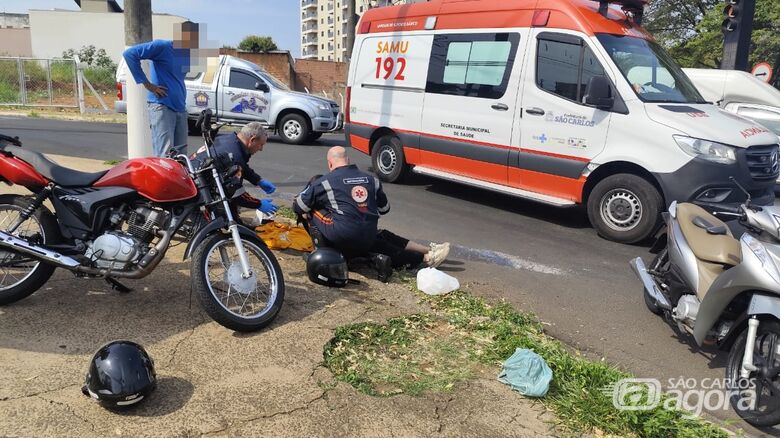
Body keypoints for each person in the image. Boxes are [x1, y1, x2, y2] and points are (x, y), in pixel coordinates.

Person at [294, 146, 449, 279]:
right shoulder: (371, 179)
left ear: (330, 164)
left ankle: (323, 254)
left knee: (310, 209)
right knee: (383, 237)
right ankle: (427, 253)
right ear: (348, 160)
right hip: (369, 234)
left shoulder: (324, 182)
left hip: (342, 235)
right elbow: (384, 209)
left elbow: (298, 207)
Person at [123, 21, 199, 157]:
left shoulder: (187, 55)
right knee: (165, 155)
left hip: (180, 108)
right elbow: (130, 54)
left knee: (181, 157)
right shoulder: (162, 46)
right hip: (162, 106)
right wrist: (147, 84)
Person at [191, 122, 279, 222]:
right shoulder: (235, 156)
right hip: (194, 190)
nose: (261, 149)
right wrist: (258, 204)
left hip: (190, 173)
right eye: (261, 145)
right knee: (211, 229)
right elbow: (237, 194)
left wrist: (258, 180)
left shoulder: (229, 139)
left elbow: (242, 166)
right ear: (252, 140)